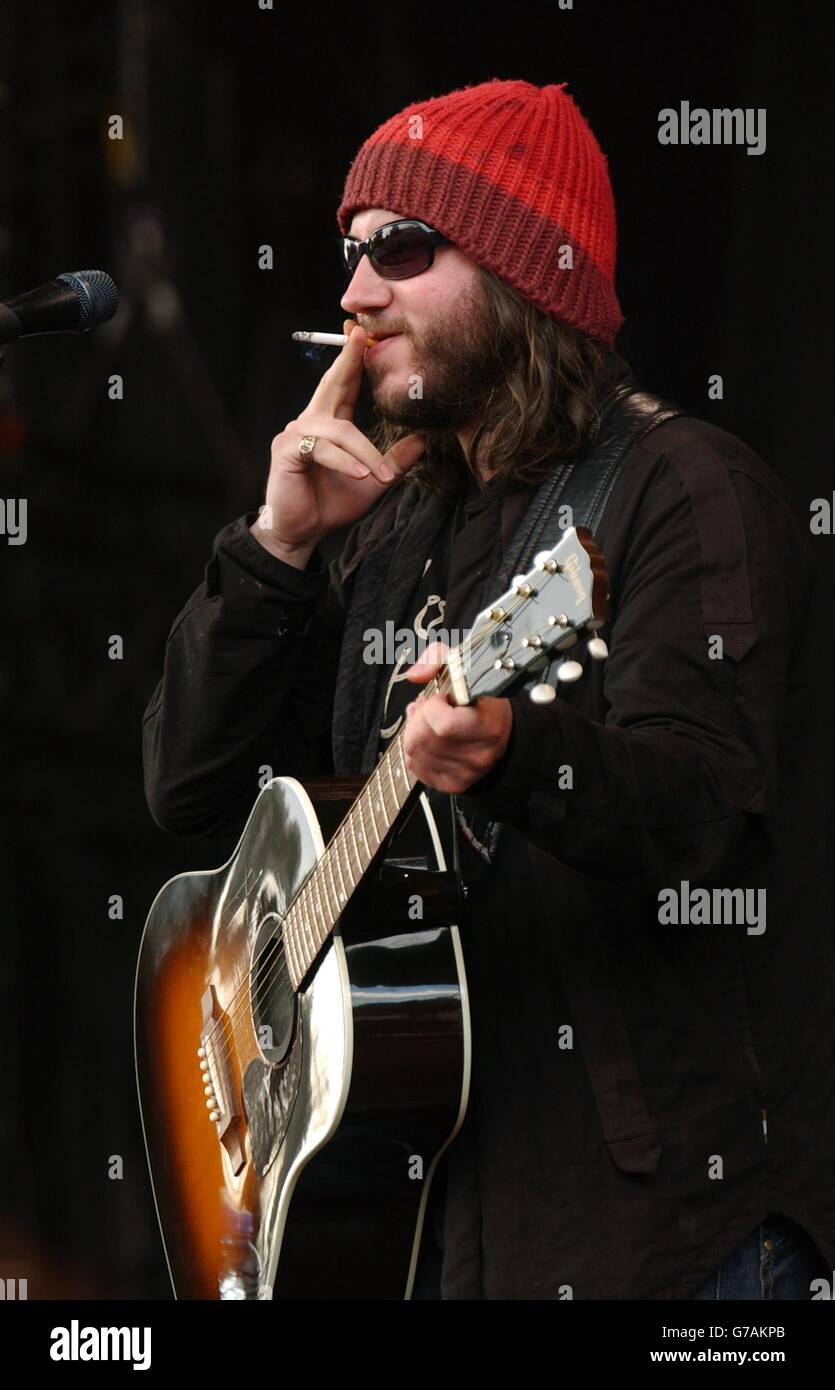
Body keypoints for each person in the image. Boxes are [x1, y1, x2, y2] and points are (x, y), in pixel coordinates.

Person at [142, 78, 835, 1300]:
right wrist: (275, 552)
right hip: (429, 1223)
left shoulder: (681, 491)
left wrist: (516, 750)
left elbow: (699, 806)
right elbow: (193, 797)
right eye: (350, 255)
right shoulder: (396, 525)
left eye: (402, 250)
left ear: (526, 275)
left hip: (670, 1237)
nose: (357, 293)